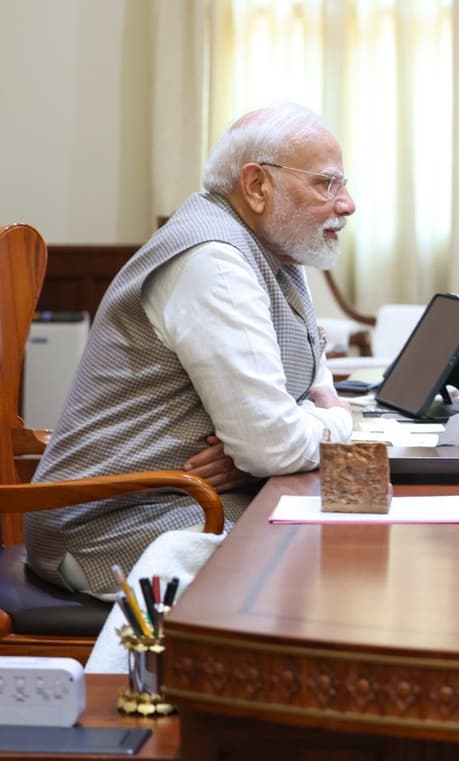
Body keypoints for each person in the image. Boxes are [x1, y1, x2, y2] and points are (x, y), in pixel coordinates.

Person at [26, 102, 357, 598]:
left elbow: (303, 402)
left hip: (189, 497)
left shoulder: (279, 249)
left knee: (350, 534)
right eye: (326, 183)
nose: (347, 202)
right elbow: (278, 441)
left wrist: (265, 447)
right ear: (257, 185)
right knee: (336, 557)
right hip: (112, 526)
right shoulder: (215, 261)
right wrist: (336, 425)